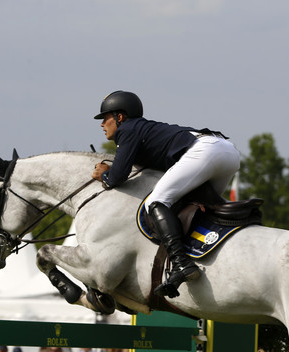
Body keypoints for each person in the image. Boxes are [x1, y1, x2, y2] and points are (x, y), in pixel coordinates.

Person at [92, 90, 240, 297]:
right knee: (200, 208)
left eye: (105, 118)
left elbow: (117, 177)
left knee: (156, 202)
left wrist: (104, 175)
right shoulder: (144, 129)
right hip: (228, 153)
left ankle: (181, 263)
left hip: (204, 152)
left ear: (120, 117)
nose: (101, 124)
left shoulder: (128, 129)